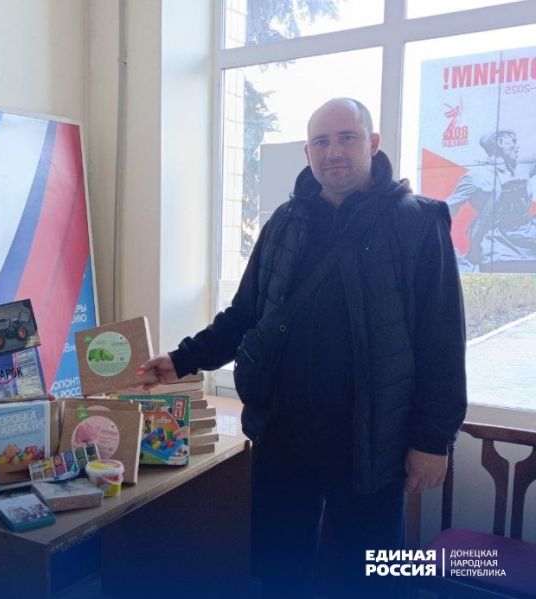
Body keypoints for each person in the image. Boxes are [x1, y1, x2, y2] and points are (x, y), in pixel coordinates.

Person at [140, 98, 467, 598]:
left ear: (373, 143)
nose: (333, 151)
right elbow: (246, 314)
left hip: (372, 441)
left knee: (373, 578)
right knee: (280, 569)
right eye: (321, 141)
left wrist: (432, 439)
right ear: (308, 151)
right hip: (284, 435)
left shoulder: (418, 223)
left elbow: (441, 340)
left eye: (346, 137)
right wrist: (182, 360)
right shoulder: (284, 224)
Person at [444, 128, 536, 272]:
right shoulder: (476, 176)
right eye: (513, 141)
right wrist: (446, 249)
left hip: (528, 233)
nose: (517, 146)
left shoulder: (520, 169)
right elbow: (446, 211)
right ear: (500, 142)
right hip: (499, 241)